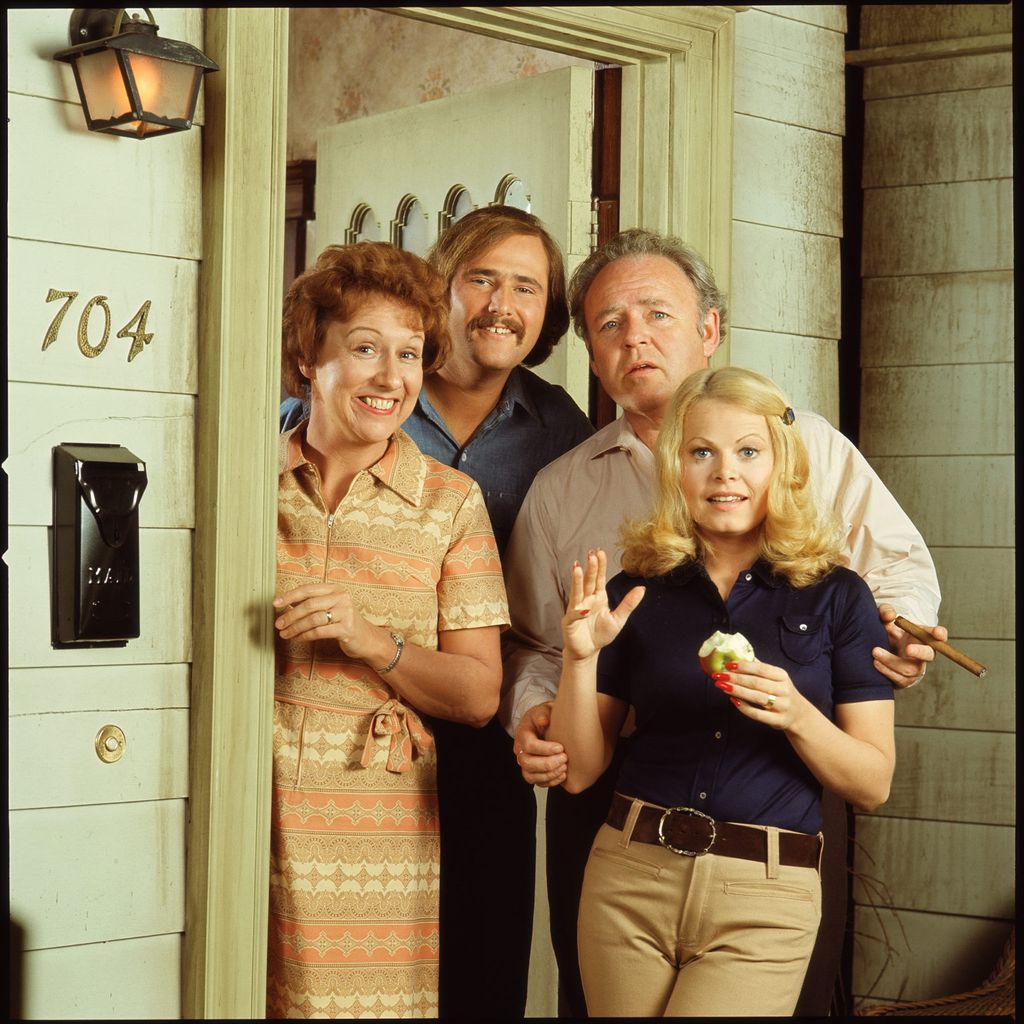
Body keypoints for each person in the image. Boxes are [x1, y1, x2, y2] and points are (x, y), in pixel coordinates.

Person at [501, 228, 946, 1017]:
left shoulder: (805, 443)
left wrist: (900, 634)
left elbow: (898, 576)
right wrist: (534, 708)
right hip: (618, 800)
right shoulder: (559, 490)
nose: (634, 336)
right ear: (593, 357)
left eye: (657, 314)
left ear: (709, 329)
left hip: (776, 797)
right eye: (609, 324)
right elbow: (539, 643)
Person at [282, 207, 594, 1018]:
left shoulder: (558, 427)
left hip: (479, 723)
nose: (502, 301)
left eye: (526, 286)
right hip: (309, 752)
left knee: (475, 964)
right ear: (444, 291)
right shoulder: (302, 439)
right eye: (482, 277)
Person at [548, 366, 896, 1016]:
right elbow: (579, 772)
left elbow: (872, 783)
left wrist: (797, 714)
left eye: (748, 452)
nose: (724, 473)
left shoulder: (839, 597)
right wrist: (578, 658)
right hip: (628, 876)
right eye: (701, 452)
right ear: (675, 467)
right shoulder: (634, 591)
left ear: (781, 467)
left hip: (767, 894)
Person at [268, 241, 509, 1019]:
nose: (390, 377)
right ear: (310, 357)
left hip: (378, 819)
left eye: (409, 354)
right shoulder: (241, 479)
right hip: (245, 796)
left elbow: (478, 696)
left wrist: (378, 642)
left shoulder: (453, 502)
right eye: (365, 348)